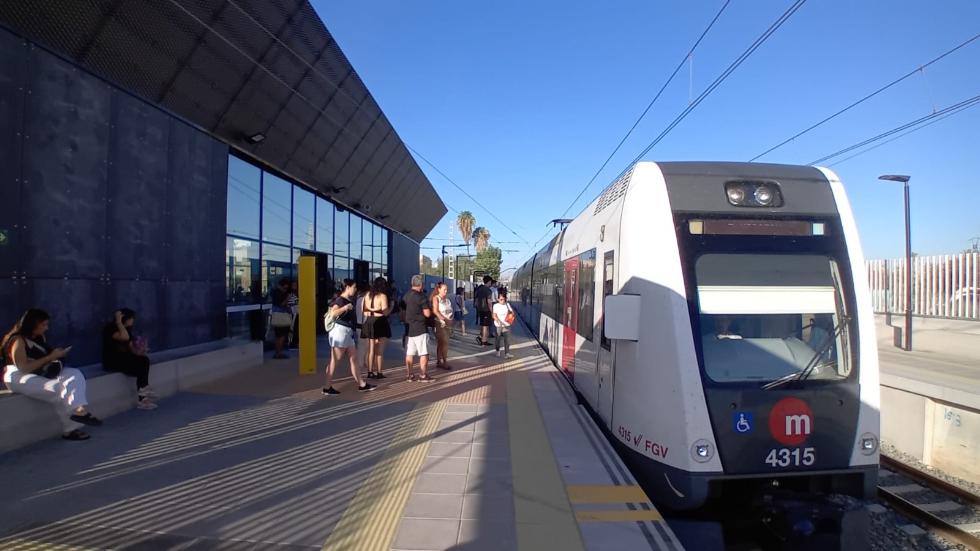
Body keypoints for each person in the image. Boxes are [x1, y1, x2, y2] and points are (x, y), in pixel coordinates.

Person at [2, 309, 101, 441]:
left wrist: (56, 355)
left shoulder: (39, 338)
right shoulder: (18, 340)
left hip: (38, 371)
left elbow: (44, 358)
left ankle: (79, 410)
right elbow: (23, 368)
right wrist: (51, 356)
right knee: (59, 389)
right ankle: (71, 429)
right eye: (43, 325)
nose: (46, 328)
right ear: (32, 324)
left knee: (74, 373)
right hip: (17, 376)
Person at [323, 279, 376, 396]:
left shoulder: (346, 299)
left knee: (354, 358)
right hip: (340, 333)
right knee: (335, 360)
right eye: (354, 287)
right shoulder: (341, 300)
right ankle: (327, 386)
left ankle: (362, 384)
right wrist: (345, 308)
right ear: (347, 287)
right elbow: (333, 313)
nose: (355, 289)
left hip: (347, 333)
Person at [102, 308, 157, 410]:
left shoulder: (127, 330)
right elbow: (124, 338)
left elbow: (132, 349)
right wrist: (119, 322)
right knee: (141, 366)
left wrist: (141, 352)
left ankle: (143, 394)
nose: (133, 321)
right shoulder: (110, 329)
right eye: (132, 318)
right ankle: (143, 394)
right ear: (125, 319)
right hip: (113, 361)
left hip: (125, 359)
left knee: (144, 360)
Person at [403, 275, 435, 382]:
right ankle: (423, 375)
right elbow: (427, 313)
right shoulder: (421, 297)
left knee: (410, 353)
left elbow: (402, 308)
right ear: (421, 284)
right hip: (421, 327)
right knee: (424, 352)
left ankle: (409, 375)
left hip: (409, 327)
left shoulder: (406, 295)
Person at [364, 277, 393, 379]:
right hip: (380, 322)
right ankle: (379, 372)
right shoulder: (382, 296)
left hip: (369, 321)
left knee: (371, 349)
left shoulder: (367, 295)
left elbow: (365, 310)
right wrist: (392, 307)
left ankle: (369, 371)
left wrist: (373, 310)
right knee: (380, 350)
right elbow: (385, 312)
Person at [431, 282, 454, 370]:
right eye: (444, 289)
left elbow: (450, 311)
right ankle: (444, 362)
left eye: (446, 289)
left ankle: (439, 361)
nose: (446, 291)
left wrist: (450, 319)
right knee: (444, 343)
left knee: (441, 343)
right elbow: (435, 310)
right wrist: (443, 319)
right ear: (439, 289)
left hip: (448, 323)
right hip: (440, 323)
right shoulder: (436, 298)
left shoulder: (447, 300)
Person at [269, 278, 292, 359]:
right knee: (282, 335)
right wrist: (287, 298)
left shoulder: (273, 292)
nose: (286, 289)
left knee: (277, 335)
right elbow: (282, 304)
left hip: (275, 315)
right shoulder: (281, 294)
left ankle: (277, 352)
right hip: (282, 316)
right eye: (285, 288)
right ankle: (279, 352)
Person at [492, 293, 515, 358]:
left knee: (507, 340)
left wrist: (511, 312)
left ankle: (507, 353)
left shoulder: (507, 304)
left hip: (507, 325)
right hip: (498, 325)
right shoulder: (495, 306)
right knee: (498, 339)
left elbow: (512, 312)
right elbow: (494, 315)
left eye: (504, 299)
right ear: (498, 299)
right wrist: (498, 321)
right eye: (501, 299)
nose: (502, 301)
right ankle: (498, 350)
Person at [473, 275, 494, 346]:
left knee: (482, 324)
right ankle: (484, 341)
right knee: (485, 326)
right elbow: (489, 302)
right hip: (486, 310)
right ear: (489, 282)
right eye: (491, 282)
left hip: (480, 309)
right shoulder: (488, 290)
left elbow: (476, 299)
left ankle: (480, 337)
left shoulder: (479, 289)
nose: (491, 283)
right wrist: (492, 311)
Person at [355, 282, 370, 373]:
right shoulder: (366, 300)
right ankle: (367, 364)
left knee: (361, 346)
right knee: (368, 347)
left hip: (358, 325)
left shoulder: (358, 299)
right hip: (366, 325)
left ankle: (360, 363)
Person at [287, 280, 300, 349]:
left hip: (297, 313)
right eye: (293, 285)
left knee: (296, 328)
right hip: (292, 313)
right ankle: (291, 343)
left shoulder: (296, 293)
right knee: (292, 328)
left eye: (295, 285)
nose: (294, 286)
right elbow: (290, 304)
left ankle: (295, 342)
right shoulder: (290, 294)